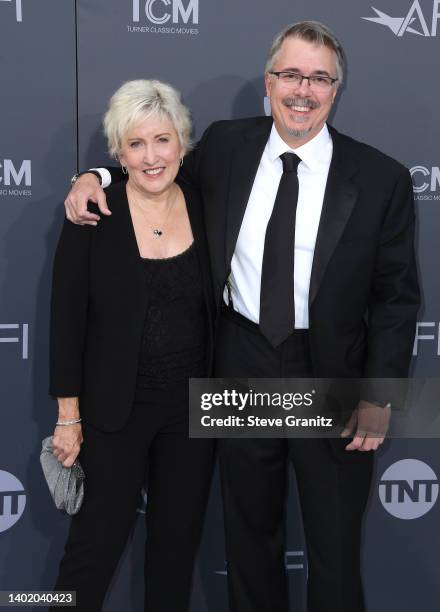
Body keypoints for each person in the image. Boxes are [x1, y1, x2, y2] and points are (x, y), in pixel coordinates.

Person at [64, 21, 419, 612]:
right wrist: (95, 175)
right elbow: (155, 166)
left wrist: (380, 394)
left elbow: (397, 296)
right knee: (250, 539)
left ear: (336, 88)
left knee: (334, 548)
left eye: (319, 78)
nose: (302, 90)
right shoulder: (228, 146)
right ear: (269, 81)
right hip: (240, 360)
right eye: (290, 75)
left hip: (333, 376)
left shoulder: (381, 179)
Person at [49, 79, 215, 612]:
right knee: (91, 553)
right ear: (118, 153)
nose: (151, 157)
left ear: (182, 144)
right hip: (115, 412)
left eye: (162, 140)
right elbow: (66, 320)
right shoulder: (92, 214)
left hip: (193, 413)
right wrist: (68, 415)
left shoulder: (209, 201)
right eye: (135, 144)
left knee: (174, 552)